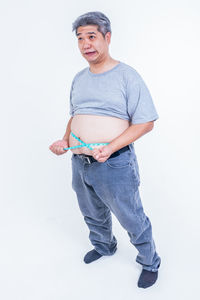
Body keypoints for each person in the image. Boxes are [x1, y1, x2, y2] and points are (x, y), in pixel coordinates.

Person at [49, 11, 161, 289]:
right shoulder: (78, 78)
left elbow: (146, 123)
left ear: (107, 38)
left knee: (130, 215)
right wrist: (65, 140)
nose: (86, 44)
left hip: (114, 164)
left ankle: (149, 261)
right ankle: (104, 245)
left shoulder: (127, 75)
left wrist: (110, 148)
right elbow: (75, 115)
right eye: (80, 38)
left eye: (92, 37)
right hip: (80, 162)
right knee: (91, 211)